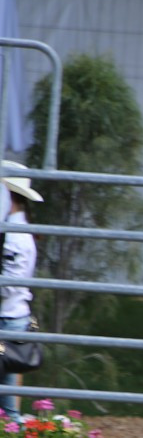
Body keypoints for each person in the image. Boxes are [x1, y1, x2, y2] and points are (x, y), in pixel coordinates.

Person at [0, 161, 42, 419]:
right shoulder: (15, 232)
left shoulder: (15, 236)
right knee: (7, 399)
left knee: (8, 405)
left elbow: (9, 285)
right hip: (12, 319)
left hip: (7, 321)